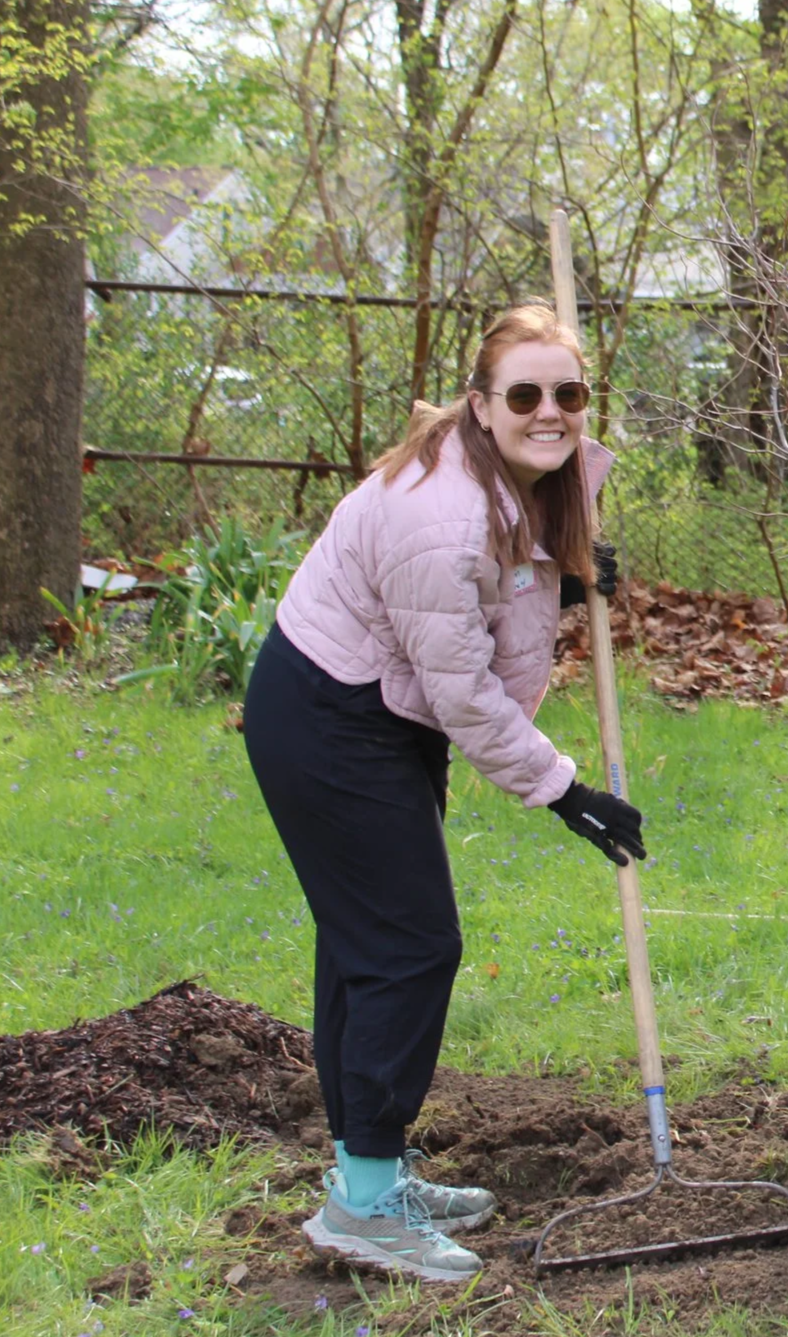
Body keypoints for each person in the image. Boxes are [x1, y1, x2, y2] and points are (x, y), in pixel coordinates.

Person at [241, 302, 648, 1281]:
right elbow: (463, 690)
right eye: (525, 394)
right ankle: (367, 1206)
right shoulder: (445, 514)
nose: (550, 411)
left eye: (569, 393)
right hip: (333, 716)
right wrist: (564, 790)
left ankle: (364, 1177)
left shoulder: (517, 478)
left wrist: (555, 577)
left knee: (366, 944)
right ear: (481, 402)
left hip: (372, 704)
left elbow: (486, 610)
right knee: (407, 945)